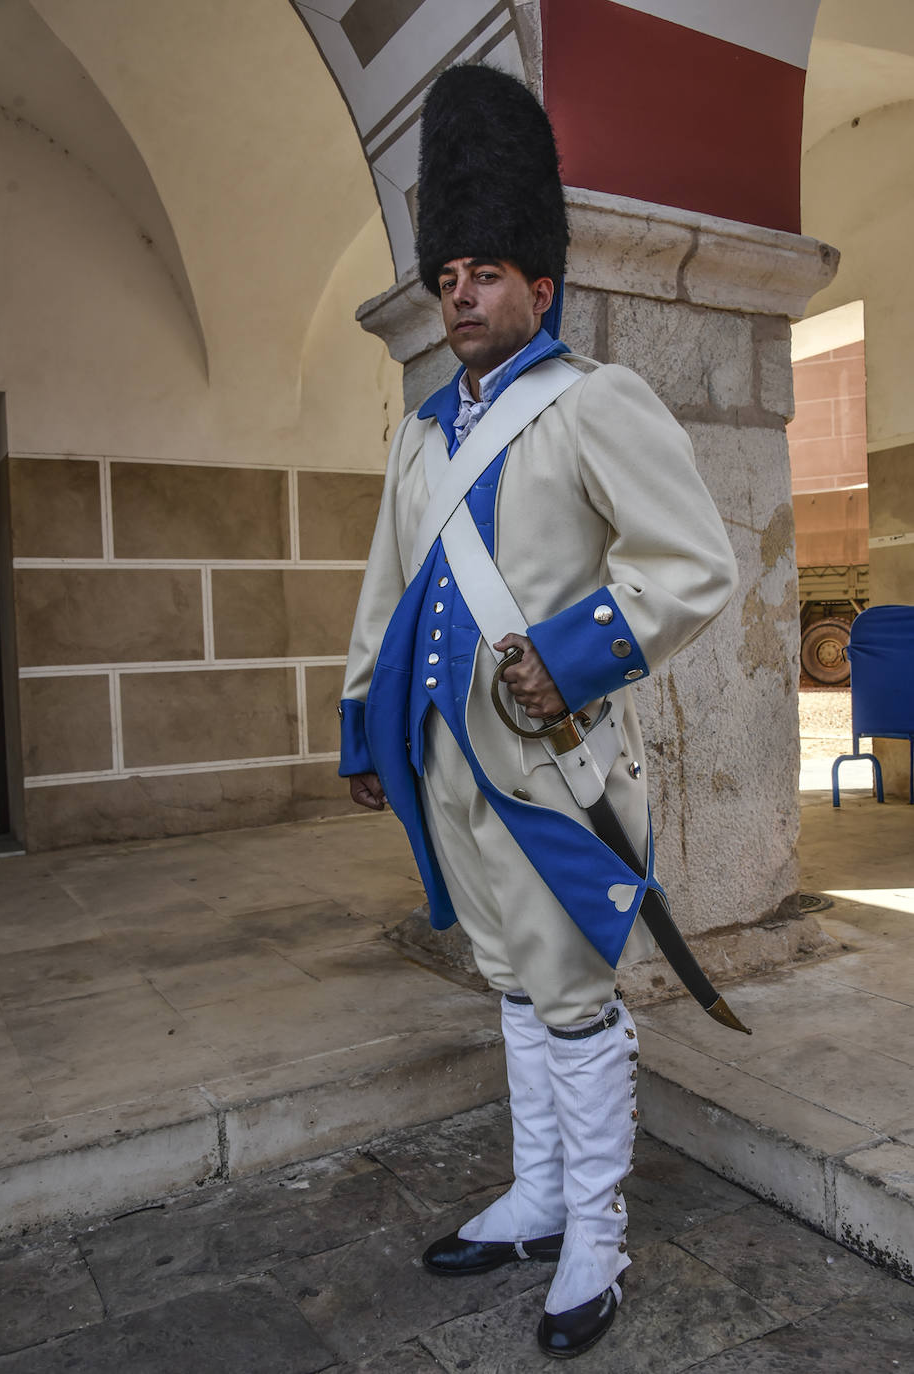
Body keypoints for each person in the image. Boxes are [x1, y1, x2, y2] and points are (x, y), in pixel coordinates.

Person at [339, 64, 738, 1360]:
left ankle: (592, 1236)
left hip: (553, 772)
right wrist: (362, 716)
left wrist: (574, 653)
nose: (459, 292)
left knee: (573, 1001)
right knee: (511, 988)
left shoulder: (593, 401)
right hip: (452, 770)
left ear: (540, 286)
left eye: (486, 271)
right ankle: (533, 1195)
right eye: (446, 272)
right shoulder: (415, 439)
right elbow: (389, 588)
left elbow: (689, 562)